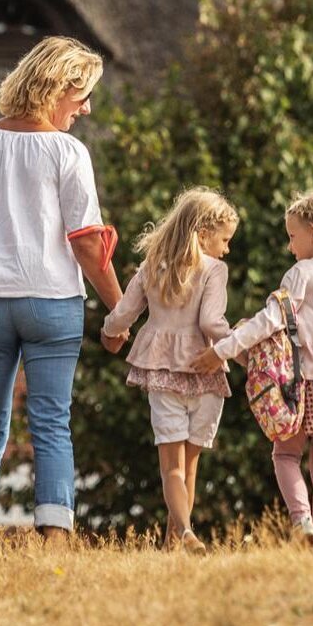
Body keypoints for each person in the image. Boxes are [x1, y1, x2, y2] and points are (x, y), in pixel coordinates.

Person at [0, 36, 122, 545]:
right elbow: (86, 246)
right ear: (57, 88)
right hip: (52, 302)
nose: (86, 107)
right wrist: (120, 312)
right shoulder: (67, 152)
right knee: (52, 424)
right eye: (81, 95)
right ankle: (54, 538)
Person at [196, 190, 313, 554]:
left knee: (284, 456)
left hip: (303, 382)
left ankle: (302, 521)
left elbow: (270, 321)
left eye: (292, 236)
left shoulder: (301, 273)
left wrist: (223, 348)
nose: (289, 246)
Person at [100, 187, 239, 555]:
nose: (226, 249)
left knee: (172, 469)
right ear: (204, 232)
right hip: (204, 374)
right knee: (190, 467)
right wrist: (238, 345)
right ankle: (179, 538)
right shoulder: (214, 270)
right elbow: (212, 323)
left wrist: (109, 333)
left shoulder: (151, 266)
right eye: (224, 240)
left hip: (162, 371)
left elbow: (124, 314)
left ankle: (180, 536)